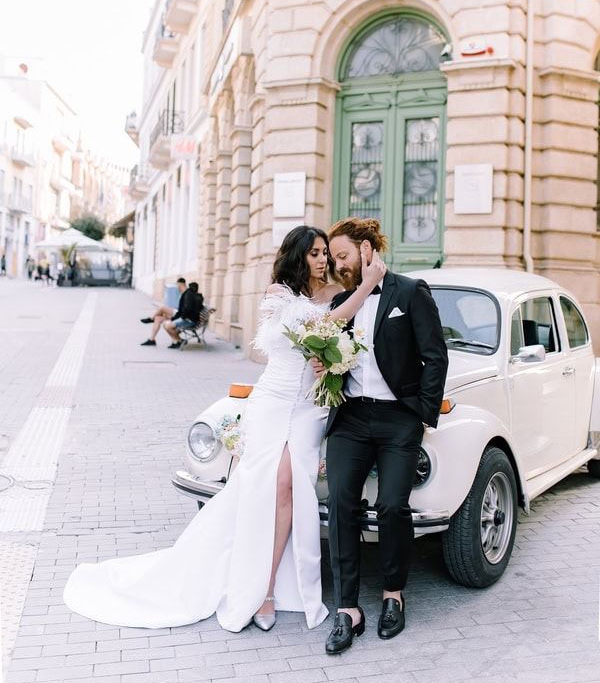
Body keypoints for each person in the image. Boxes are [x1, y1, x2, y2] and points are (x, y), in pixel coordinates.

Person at [63, 225, 385, 633]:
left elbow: (337, 338)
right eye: (316, 253)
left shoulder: (332, 296)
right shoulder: (278, 295)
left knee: (291, 487)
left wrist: (333, 359)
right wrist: (365, 289)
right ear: (298, 256)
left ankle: (276, 585)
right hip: (272, 402)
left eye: (326, 253)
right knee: (262, 491)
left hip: (308, 409)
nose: (324, 260)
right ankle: (260, 589)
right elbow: (313, 333)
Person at [323, 217, 448, 655]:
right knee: (340, 500)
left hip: (399, 419)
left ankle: (393, 594)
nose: (338, 264)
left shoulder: (410, 292)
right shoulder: (343, 300)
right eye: (333, 258)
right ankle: (347, 608)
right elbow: (324, 353)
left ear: (367, 248)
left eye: (343, 255)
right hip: (351, 419)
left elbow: (435, 356)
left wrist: (423, 414)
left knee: (392, 504)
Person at [140, 277, 186, 345]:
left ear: (180, 284)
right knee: (157, 318)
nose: (177, 287)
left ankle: (151, 318)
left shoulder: (186, 293)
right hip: (175, 312)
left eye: (178, 285)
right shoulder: (179, 292)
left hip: (179, 314)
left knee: (162, 308)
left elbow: (183, 308)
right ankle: (151, 339)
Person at [163, 281, 204, 349]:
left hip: (190, 321)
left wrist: (184, 317)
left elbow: (188, 308)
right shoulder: (194, 295)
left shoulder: (189, 295)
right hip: (190, 319)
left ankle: (178, 341)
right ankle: (178, 341)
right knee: (165, 324)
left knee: (168, 326)